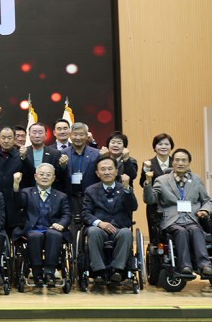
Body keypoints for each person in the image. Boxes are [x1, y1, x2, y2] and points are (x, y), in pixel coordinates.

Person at [143, 148, 212, 276]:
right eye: (177, 160)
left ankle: (205, 265)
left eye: (184, 160)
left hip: (192, 218)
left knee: (196, 230)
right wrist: (148, 182)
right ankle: (185, 266)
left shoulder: (196, 179)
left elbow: (207, 200)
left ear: (189, 163)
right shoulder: (162, 180)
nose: (180, 163)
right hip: (172, 220)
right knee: (181, 231)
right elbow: (150, 200)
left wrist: (204, 210)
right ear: (173, 162)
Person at [13, 163, 70, 287]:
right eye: (42, 174)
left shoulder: (61, 196)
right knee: (35, 236)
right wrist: (16, 186)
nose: (45, 177)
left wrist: (61, 224)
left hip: (52, 228)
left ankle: (49, 272)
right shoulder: (26, 192)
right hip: (32, 229)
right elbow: (17, 204)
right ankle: (37, 272)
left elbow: (66, 215)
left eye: (48, 175)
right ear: (35, 176)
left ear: (53, 178)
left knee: (54, 234)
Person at [82, 156, 137, 285]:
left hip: (119, 228)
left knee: (126, 233)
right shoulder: (90, 190)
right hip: (99, 228)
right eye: (103, 169)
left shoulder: (124, 188)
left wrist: (127, 189)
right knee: (93, 232)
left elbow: (133, 207)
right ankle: (98, 271)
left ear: (116, 171)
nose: (107, 172)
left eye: (110, 169)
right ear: (97, 173)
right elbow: (85, 213)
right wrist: (100, 223)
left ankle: (117, 270)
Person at [0, 126, 31, 232]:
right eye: (3, 138)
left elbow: (30, 176)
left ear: (14, 139)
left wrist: (24, 158)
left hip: (16, 202)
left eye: (9, 138)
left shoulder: (22, 156)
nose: (6, 141)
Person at [139, 133, 175, 243]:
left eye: (166, 144)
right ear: (154, 147)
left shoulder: (177, 163)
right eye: (160, 144)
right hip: (155, 204)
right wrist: (146, 171)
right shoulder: (148, 163)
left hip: (173, 203)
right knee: (155, 236)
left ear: (171, 147)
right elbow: (142, 183)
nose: (163, 147)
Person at [64, 122, 102, 221]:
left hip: (91, 197)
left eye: (81, 134)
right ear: (70, 135)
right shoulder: (62, 154)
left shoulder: (97, 154)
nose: (78, 137)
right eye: (75, 134)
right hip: (69, 197)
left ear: (87, 136)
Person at [19, 123, 68, 193]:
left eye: (40, 133)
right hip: (27, 192)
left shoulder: (54, 153)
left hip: (50, 192)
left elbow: (59, 176)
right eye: (34, 132)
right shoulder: (22, 152)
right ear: (29, 135)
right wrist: (23, 158)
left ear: (46, 135)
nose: (37, 136)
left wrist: (63, 166)